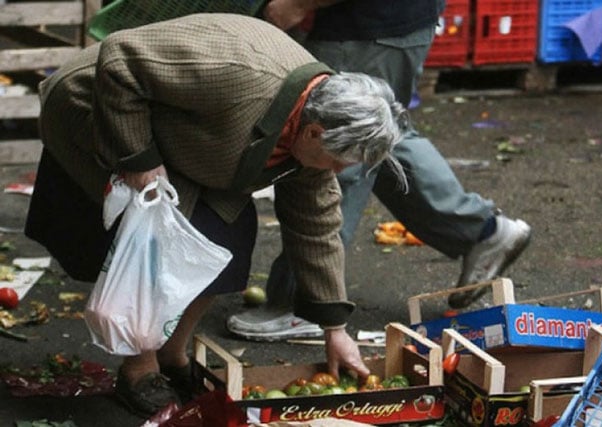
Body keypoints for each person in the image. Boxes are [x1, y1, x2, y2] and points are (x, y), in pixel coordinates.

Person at [24, 13, 409, 417]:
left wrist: (335, 329)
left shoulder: (314, 133)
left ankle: (173, 354)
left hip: (189, 140)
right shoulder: (238, 74)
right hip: (99, 105)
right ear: (314, 133)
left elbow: (316, 228)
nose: (337, 172)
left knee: (229, 236)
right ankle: (140, 369)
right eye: (337, 161)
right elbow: (120, 61)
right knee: (162, 237)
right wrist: (137, 156)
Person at [226, 0, 532, 341]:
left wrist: (299, 3)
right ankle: (480, 230)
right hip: (386, 25)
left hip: (367, 26)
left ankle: (304, 304)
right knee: (374, 135)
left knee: (334, 148)